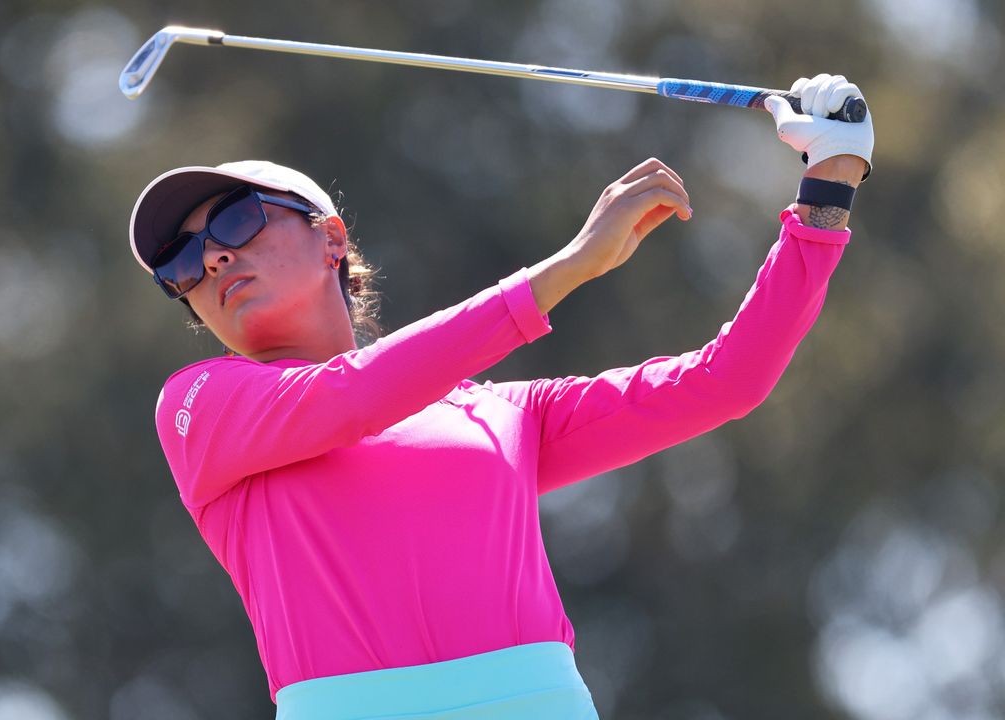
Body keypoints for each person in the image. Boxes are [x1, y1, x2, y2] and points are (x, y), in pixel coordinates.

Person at [130, 74, 874, 719]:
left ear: (332, 239)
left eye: (236, 220)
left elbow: (726, 381)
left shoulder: (499, 413)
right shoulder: (200, 406)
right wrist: (568, 269)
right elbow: (348, 400)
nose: (215, 256)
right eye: (184, 264)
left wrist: (828, 187)